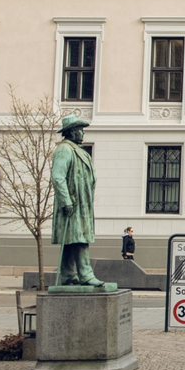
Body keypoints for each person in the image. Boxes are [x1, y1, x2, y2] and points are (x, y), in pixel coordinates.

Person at [51, 115, 102, 286]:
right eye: (80, 130)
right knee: (79, 239)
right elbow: (58, 177)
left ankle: (68, 275)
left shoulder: (78, 150)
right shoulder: (64, 149)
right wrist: (66, 201)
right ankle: (86, 275)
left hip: (82, 202)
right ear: (72, 132)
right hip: (73, 203)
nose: (83, 133)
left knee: (70, 240)